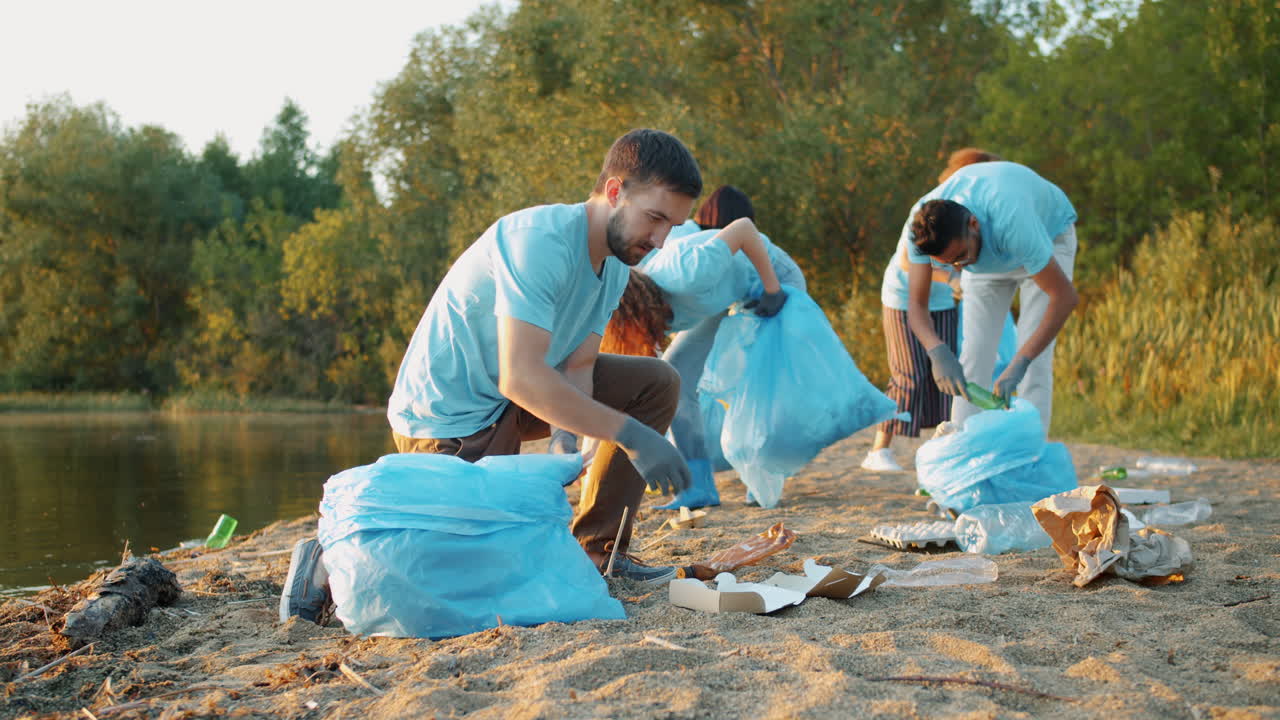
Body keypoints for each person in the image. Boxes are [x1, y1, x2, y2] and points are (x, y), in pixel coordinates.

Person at [280, 129, 703, 624]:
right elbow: (520, 377)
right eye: (654, 218)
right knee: (468, 569)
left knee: (657, 382)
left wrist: (574, 444)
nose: (659, 240)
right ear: (615, 192)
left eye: (672, 225)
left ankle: (598, 550)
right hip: (448, 415)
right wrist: (628, 434)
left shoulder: (613, 265)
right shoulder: (538, 241)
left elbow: (579, 366)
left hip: (510, 401)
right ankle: (325, 556)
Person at [636, 185, 806, 509]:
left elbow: (744, 228)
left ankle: (762, 479)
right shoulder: (646, 287)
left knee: (756, 382)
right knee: (674, 376)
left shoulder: (686, 270)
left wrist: (773, 290)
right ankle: (697, 485)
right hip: (724, 288)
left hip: (774, 283)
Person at [903, 161, 1079, 432]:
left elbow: (1065, 297)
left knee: (1034, 364)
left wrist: (1020, 362)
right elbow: (916, 304)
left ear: (973, 224)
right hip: (989, 252)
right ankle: (963, 447)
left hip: (1047, 236)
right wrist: (937, 351)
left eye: (960, 257)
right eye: (948, 264)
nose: (958, 269)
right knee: (973, 356)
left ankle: (1029, 453)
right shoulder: (920, 230)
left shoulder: (1013, 222)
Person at [861, 149, 998, 472]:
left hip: (944, 301)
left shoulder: (974, 214)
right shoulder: (929, 213)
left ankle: (941, 450)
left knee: (947, 379)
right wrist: (951, 276)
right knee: (909, 375)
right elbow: (911, 263)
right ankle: (878, 449)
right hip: (903, 298)